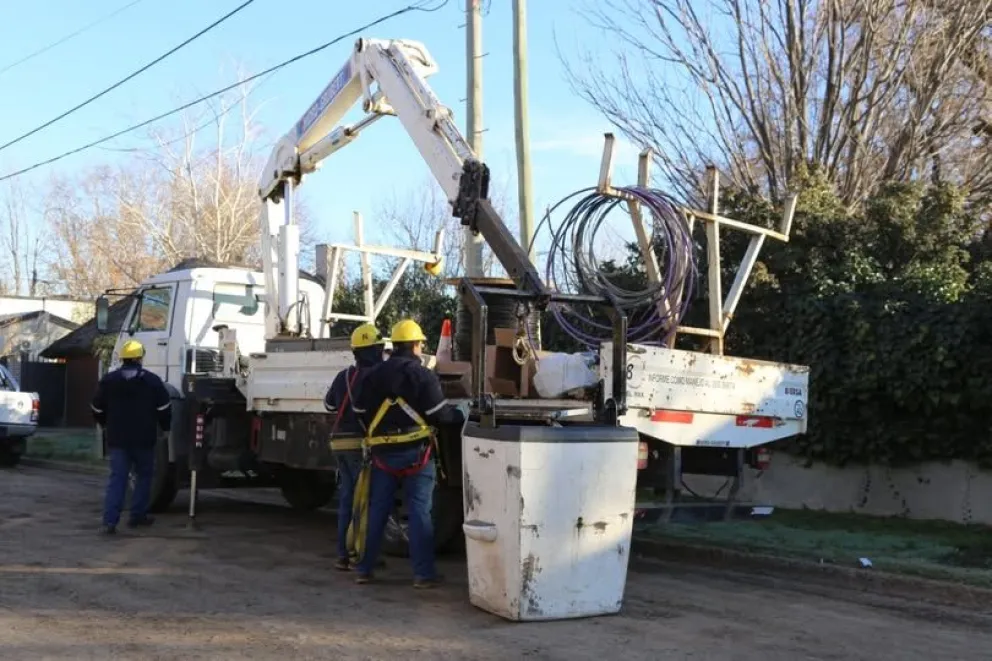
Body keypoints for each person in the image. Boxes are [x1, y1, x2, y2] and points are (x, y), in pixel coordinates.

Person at [350, 319, 468, 588]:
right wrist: (461, 413)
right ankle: (423, 575)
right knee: (419, 513)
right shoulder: (423, 376)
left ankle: (365, 569)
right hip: (417, 456)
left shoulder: (372, 376)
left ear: (394, 344)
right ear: (416, 345)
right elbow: (440, 416)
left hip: (382, 456)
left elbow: (358, 414)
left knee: (377, 510)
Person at [91, 339, 172, 535]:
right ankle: (137, 516)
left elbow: (96, 407)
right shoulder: (152, 381)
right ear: (139, 358)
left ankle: (110, 522)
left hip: (117, 439)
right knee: (144, 476)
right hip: (144, 439)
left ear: (123, 359)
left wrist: (104, 424)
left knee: (118, 478)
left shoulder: (109, 381)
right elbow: (164, 408)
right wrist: (166, 429)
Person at [323, 323, 385, 571]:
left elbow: (329, 405)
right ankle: (361, 554)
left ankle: (342, 554)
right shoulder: (375, 376)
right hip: (360, 444)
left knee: (347, 498)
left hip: (338, 442)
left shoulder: (344, 376)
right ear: (374, 349)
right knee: (365, 502)